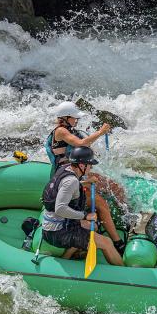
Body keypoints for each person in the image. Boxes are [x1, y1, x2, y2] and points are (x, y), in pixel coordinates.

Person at [45, 102, 127, 253]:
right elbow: (81, 143)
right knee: (101, 203)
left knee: (114, 186)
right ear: (66, 117)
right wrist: (101, 132)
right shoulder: (61, 131)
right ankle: (117, 242)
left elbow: (84, 146)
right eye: (74, 118)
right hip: (67, 177)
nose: (77, 120)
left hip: (78, 173)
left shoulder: (70, 129)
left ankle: (126, 219)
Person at [41, 147, 124, 265]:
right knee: (106, 243)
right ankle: (123, 273)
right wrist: (84, 215)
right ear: (81, 165)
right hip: (59, 233)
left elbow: (66, 187)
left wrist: (85, 182)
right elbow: (60, 208)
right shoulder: (71, 181)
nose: (91, 167)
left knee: (93, 227)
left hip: (55, 226)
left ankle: (66, 257)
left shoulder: (65, 169)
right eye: (89, 165)